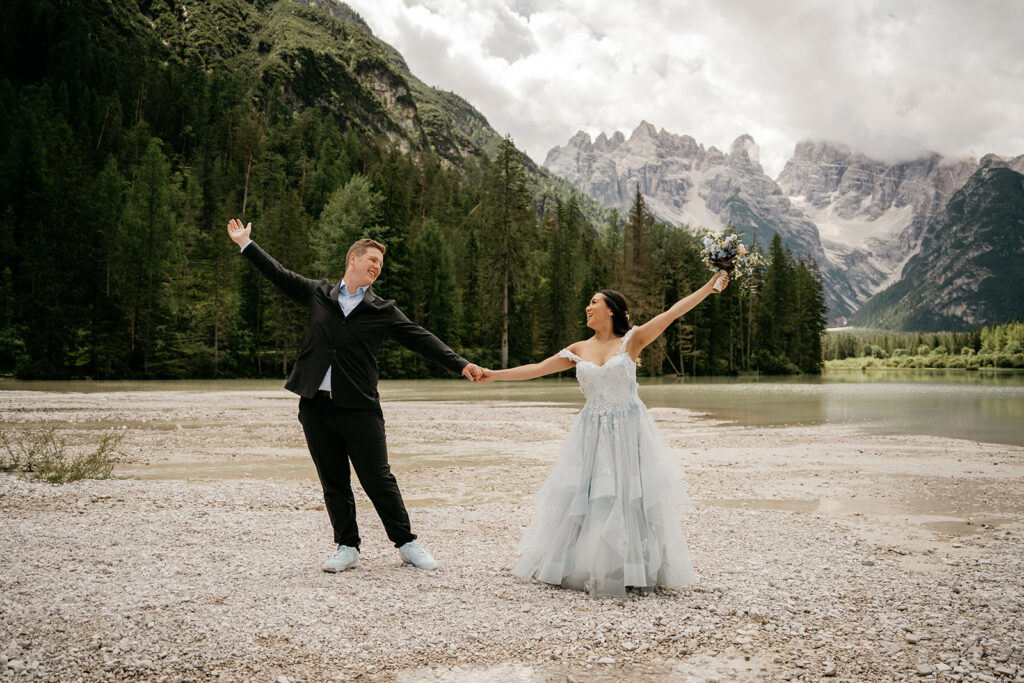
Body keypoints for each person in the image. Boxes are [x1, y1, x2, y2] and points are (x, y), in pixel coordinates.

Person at [227, 219, 484, 572]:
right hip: (315, 404)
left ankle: (407, 543)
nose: (377, 267)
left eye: (381, 263)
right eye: (372, 259)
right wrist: (246, 244)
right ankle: (347, 546)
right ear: (352, 259)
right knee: (333, 480)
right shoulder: (318, 294)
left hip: (360, 406)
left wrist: (460, 364)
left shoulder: (383, 310)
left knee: (378, 478)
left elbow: (420, 337)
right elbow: (280, 275)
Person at [479, 273, 729, 596]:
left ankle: (634, 567)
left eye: (593, 302)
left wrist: (710, 286)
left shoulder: (632, 341)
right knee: (591, 497)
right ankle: (589, 565)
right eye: (587, 303)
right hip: (591, 433)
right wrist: (492, 375)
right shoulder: (578, 349)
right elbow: (537, 368)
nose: (587, 307)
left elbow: (673, 313)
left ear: (611, 309)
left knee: (629, 495)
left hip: (629, 431)